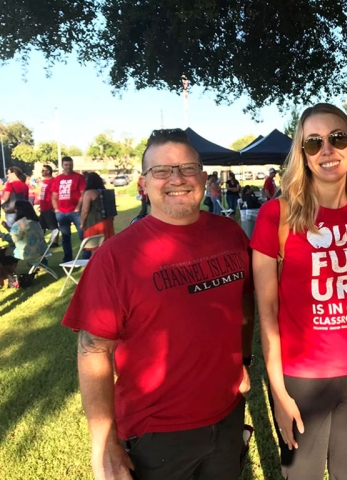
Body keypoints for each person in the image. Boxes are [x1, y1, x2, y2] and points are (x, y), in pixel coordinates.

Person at [61, 128, 255, 480]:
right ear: (143, 183)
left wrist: (243, 360)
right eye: (162, 170)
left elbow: (243, 303)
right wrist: (103, 442)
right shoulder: (115, 257)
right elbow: (92, 351)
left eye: (187, 168)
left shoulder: (230, 234)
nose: (177, 179)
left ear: (203, 176)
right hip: (156, 433)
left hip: (227, 416)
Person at [251, 103, 347, 479]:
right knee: (302, 475)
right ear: (303, 155)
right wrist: (277, 391)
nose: (327, 150)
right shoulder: (276, 215)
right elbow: (267, 311)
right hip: (302, 377)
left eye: (337, 138)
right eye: (314, 143)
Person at [51, 156, 86, 262]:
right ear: (62, 166)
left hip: (75, 212)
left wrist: (78, 207)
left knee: (83, 235)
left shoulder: (79, 177)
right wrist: (56, 209)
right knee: (65, 238)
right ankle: (67, 259)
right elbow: (54, 195)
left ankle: (86, 257)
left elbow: (83, 194)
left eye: (70, 165)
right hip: (61, 212)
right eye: (66, 165)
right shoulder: (58, 179)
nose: (68, 167)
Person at [80, 173, 116, 258]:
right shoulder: (106, 192)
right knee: (106, 246)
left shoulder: (89, 193)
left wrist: (82, 223)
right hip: (108, 222)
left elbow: (85, 210)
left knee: (94, 247)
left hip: (95, 223)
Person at [0, 200, 47, 266]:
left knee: (3, 254)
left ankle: (11, 273)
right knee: (10, 249)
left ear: (18, 210)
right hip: (41, 249)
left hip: (29, 252)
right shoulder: (35, 221)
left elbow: (13, 239)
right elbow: (20, 234)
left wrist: (2, 235)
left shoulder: (19, 223)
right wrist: (7, 227)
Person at [38, 165, 60, 246]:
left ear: (49, 171)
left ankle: (55, 242)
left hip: (49, 207)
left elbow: (55, 194)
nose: (42, 171)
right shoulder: (44, 182)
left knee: (53, 225)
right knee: (41, 226)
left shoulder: (53, 181)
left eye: (44, 170)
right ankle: (40, 241)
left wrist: (55, 206)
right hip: (43, 207)